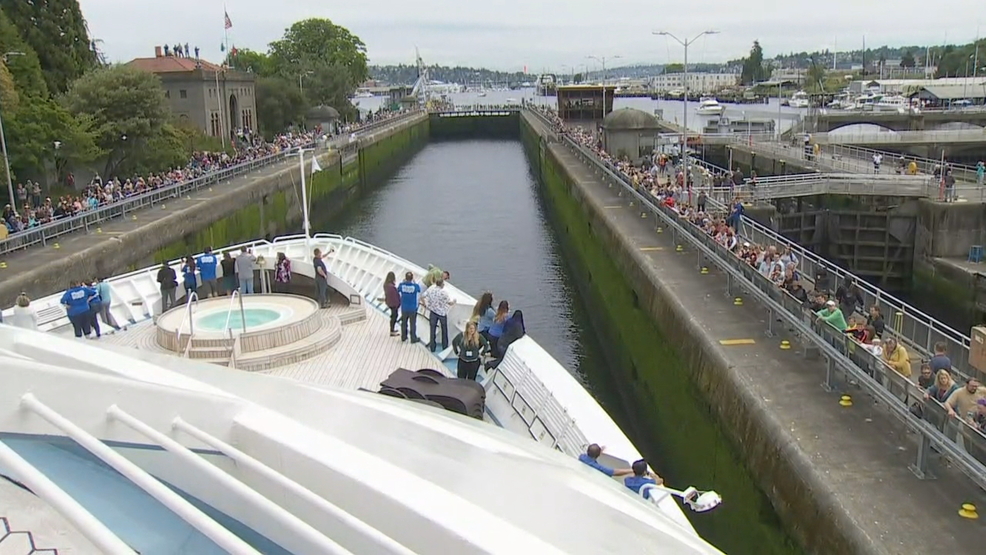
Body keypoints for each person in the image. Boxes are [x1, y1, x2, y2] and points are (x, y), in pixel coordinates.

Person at [422, 277, 455, 352]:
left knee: (432, 330)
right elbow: (449, 303)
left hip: (433, 312)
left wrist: (425, 305)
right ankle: (444, 346)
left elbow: (423, 296)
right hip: (442, 313)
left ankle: (432, 347)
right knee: (444, 330)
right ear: (442, 284)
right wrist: (454, 301)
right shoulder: (443, 293)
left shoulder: (431, 290)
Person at [398, 271, 421, 343]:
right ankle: (413, 338)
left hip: (404, 308)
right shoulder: (415, 286)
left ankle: (404, 337)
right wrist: (414, 282)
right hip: (412, 308)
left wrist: (403, 282)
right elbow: (419, 289)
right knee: (413, 323)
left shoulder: (402, 285)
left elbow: (398, 289)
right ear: (412, 278)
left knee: (404, 323)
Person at [379, 271, 400, 336]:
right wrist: (398, 303)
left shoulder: (386, 285)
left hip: (389, 302)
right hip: (394, 304)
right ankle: (392, 330)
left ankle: (392, 329)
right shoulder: (392, 287)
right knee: (394, 316)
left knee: (393, 316)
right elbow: (395, 296)